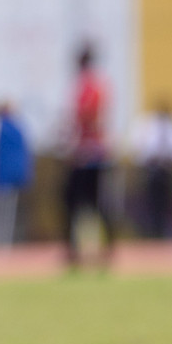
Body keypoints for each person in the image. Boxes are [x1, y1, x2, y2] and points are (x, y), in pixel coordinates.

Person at [63, 44, 115, 267]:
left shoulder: (88, 85)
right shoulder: (95, 84)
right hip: (93, 152)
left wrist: (70, 136)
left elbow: (85, 116)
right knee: (90, 204)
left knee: (80, 203)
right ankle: (97, 248)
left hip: (88, 154)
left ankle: (81, 249)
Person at [129, 96, 172, 239]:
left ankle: (169, 232)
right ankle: (151, 232)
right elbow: (134, 147)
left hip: (171, 172)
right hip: (150, 171)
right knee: (151, 204)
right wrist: (148, 157)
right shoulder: (146, 124)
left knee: (170, 205)